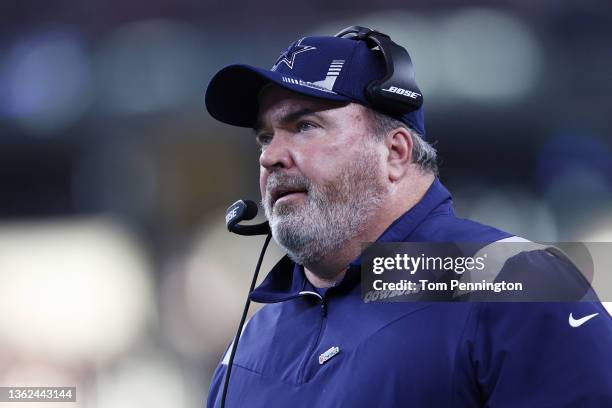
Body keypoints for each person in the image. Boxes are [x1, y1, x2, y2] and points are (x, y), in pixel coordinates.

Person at [204, 27, 612, 407]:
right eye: (265, 136)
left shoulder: (518, 282)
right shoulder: (248, 346)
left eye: (305, 125)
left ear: (395, 153)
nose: (270, 156)